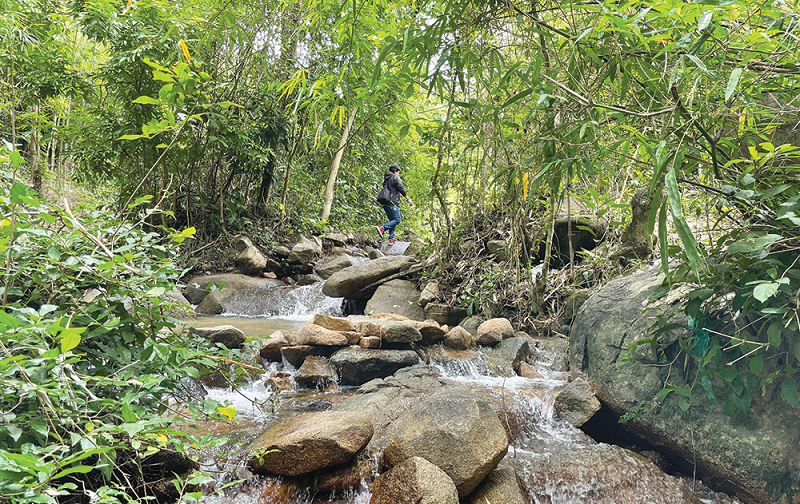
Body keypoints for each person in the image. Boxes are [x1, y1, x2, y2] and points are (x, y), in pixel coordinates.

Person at [376, 164, 413, 245]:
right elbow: (401, 188)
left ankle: (391, 239)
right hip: (393, 202)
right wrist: (408, 199)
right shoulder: (395, 177)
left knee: (392, 220)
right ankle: (382, 228)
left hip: (385, 203)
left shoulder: (387, 178)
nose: (398, 174)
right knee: (397, 220)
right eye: (398, 172)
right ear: (396, 171)